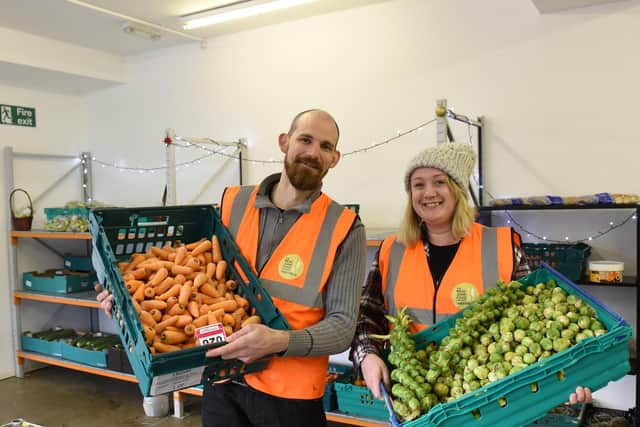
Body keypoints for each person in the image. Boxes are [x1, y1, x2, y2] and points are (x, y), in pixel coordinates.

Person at [97, 109, 367, 427]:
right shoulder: (232, 202)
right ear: (284, 142)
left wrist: (279, 341)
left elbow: (342, 328)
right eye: (305, 139)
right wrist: (130, 305)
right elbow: (196, 288)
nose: (312, 152)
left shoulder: (344, 228)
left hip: (290, 398)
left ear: (334, 159)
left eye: (325, 146)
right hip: (221, 383)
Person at [349, 141, 591, 410]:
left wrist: (568, 374)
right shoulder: (391, 250)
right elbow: (366, 317)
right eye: (418, 184)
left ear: (457, 190)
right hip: (416, 403)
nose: (428, 193)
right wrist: (367, 356)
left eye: (439, 182)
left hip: (489, 401)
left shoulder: (500, 247)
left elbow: (534, 319)